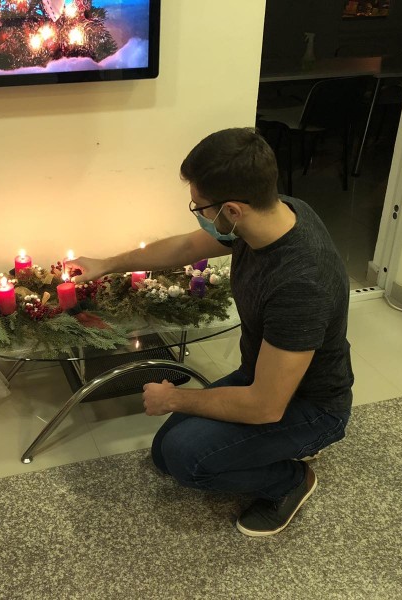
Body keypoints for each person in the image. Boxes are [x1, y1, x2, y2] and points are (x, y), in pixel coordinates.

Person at [68, 127, 353, 536]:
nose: (199, 215)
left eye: (200, 207)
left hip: (311, 406)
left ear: (232, 210)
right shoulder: (277, 214)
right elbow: (186, 248)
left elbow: (265, 406)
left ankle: (291, 480)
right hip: (261, 377)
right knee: (164, 455)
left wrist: (173, 398)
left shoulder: (300, 283)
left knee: (187, 459)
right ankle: (277, 450)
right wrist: (107, 264)